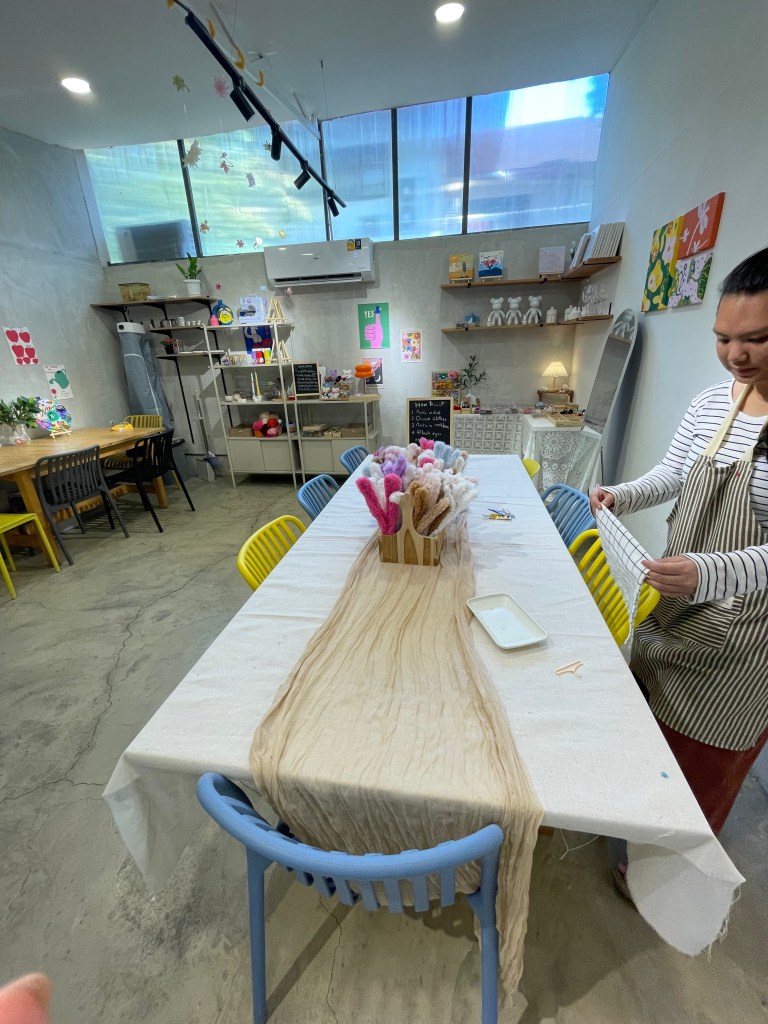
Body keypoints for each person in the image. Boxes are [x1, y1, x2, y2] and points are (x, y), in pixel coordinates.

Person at [591, 247, 768, 854]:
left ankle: (666, 870)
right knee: (652, 734)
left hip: (745, 640)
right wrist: (620, 495)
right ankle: (636, 835)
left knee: (701, 763)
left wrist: (706, 573)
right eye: (723, 338)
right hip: (676, 604)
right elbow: (674, 473)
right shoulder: (711, 402)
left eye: (756, 339)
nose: (736, 355)